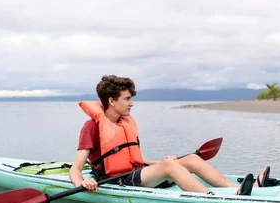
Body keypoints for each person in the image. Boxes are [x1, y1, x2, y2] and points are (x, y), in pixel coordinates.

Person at [69, 75, 268, 195]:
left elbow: (132, 161)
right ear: (111, 101)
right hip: (117, 180)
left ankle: (235, 190)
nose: (132, 103)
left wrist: (160, 164)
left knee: (190, 158)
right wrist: (82, 182)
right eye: (127, 99)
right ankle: (212, 199)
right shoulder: (92, 127)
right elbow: (75, 169)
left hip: (134, 174)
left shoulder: (123, 123)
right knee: (170, 165)